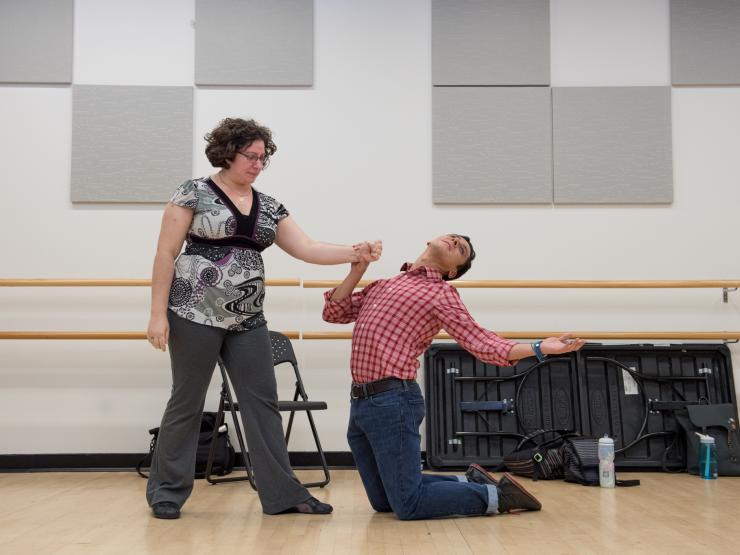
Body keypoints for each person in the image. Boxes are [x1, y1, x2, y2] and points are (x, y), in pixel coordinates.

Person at [145, 117, 382, 519]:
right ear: (227, 153)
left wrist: (354, 252)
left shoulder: (269, 205)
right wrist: (156, 315)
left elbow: (306, 248)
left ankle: (283, 495)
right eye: (250, 156)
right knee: (186, 401)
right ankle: (166, 492)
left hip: (248, 319)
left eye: (263, 158)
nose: (257, 164)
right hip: (192, 312)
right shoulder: (194, 192)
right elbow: (165, 253)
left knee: (263, 404)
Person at [322, 234, 585, 520]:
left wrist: (538, 348)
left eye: (461, 249)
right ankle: (468, 482)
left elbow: (481, 341)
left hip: (393, 402)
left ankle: (496, 496)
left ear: (451, 272)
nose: (454, 242)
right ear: (428, 240)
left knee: (408, 505)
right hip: (361, 403)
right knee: (384, 501)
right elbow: (334, 312)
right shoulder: (385, 284)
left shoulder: (441, 293)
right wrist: (357, 270)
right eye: (454, 238)